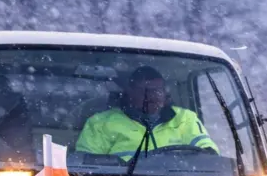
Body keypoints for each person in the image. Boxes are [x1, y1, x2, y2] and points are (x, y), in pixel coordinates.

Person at [76, 66, 218, 157]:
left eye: (157, 91)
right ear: (130, 93)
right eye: (144, 91)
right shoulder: (100, 124)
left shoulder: (185, 119)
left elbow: (209, 155)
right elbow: (85, 169)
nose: (151, 97)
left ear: (165, 93)